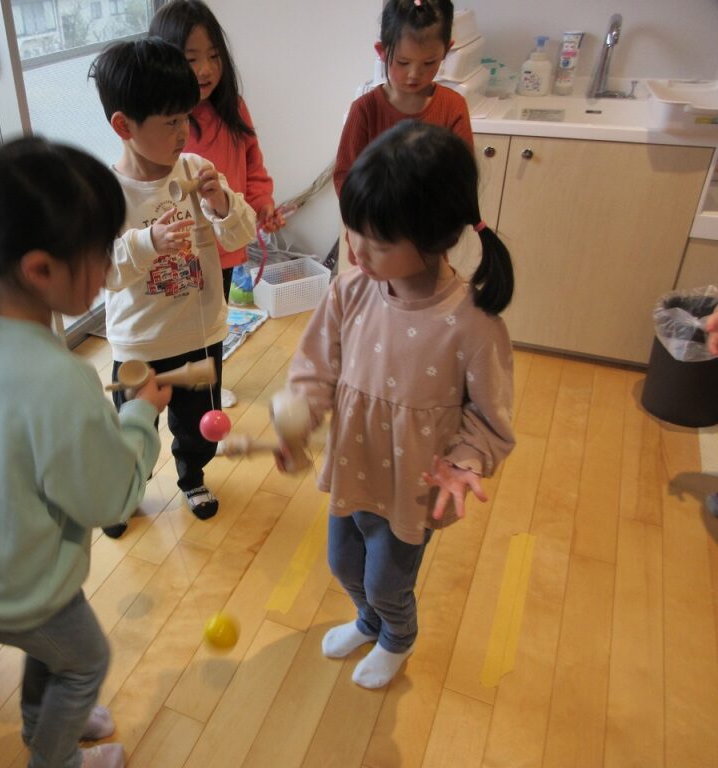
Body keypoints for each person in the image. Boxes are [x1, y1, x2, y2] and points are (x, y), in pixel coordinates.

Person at [0, 136, 170, 768]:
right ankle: (54, 759)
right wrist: (141, 416)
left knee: (54, 645)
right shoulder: (60, 380)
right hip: (14, 583)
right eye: (102, 251)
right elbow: (110, 500)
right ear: (39, 269)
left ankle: (45, 720)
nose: (110, 264)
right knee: (85, 660)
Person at [279, 121, 516, 689]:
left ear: (434, 239)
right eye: (352, 229)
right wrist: (299, 418)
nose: (356, 250)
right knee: (343, 562)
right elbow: (316, 365)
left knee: (388, 580)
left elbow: (490, 419)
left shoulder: (473, 324)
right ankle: (368, 621)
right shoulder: (350, 289)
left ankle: (396, 636)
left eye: (378, 242)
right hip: (354, 462)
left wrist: (464, 462)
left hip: (414, 483)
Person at [89, 37, 256, 537]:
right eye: (170, 122)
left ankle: (192, 478)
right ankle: (124, 492)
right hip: (139, 342)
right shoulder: (106, 193)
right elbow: (103, 271)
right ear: (124, 127)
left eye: (186, 117)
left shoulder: (197, 171)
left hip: (198, 335)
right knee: (132, 430)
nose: (184, 131)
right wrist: (148, 242)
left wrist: (223, 204)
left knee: (198, 426)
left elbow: (240, 236)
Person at [149, 0, 283, 408]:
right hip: (183, 251)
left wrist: (261, 202)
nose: (206, 69)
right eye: (191, 59)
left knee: (213, 324)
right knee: (181, 326)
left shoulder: (232, 108)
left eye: (213, 56)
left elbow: (252, 162)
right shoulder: (166, 121)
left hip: (226, 242)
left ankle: (206, 389)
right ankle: (184, 391)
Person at [333, 0, 472, 198]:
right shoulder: (365, 110)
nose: (414, 74)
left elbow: (462, 179)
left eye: (429, 62)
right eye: (403, 62)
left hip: (432, 217)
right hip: (373, 216)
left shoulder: (453, 107)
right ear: (382, 52)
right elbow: (345, 178)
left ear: (446, 51)